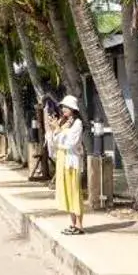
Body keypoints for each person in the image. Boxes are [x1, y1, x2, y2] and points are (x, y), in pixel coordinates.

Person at [49, 95, 87, 234]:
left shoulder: (78, 124)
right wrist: (56, 129)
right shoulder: (64, 122)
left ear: (73, 109)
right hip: (62, 160)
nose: (63, 109)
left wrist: (58, 131)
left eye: (66, 107)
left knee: (74, 192)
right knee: (66, 192)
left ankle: (79, 225)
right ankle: (73, 224)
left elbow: (71, 143)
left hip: (72, 162)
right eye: (63, 107)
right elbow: (54, 141)